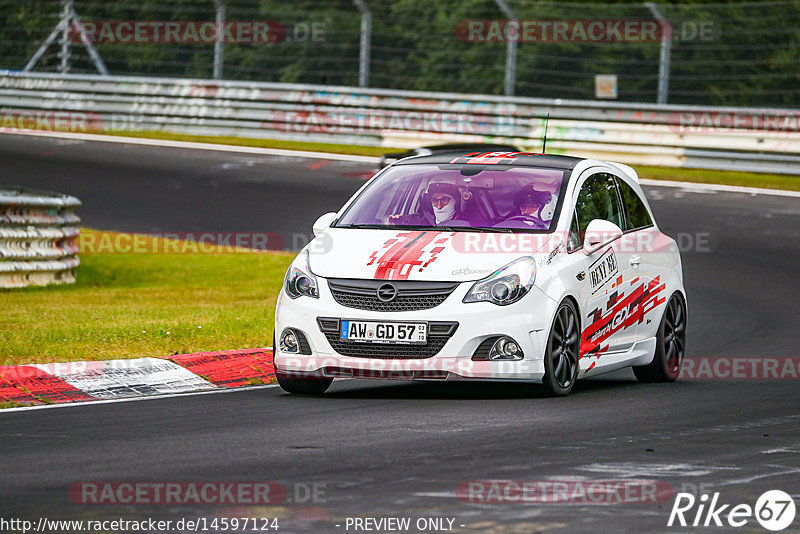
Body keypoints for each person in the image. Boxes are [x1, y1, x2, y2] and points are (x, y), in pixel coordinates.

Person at [388, 182, 462, 226]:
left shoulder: (469, 225)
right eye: (435, 200)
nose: (439, 206)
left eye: (444, 200)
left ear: (456, 203)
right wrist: (392, 226)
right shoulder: (419, 223)